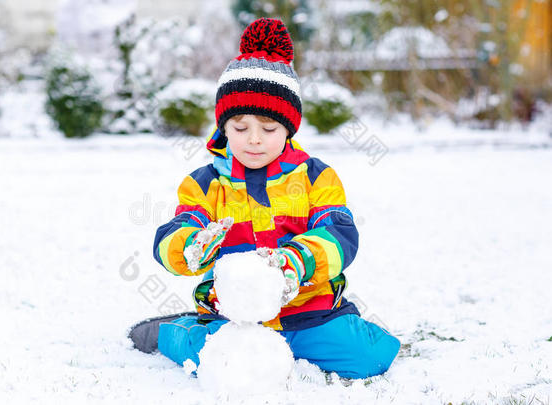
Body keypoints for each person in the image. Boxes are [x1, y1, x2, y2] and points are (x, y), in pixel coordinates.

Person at [151, 18, 400, 379]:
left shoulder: (316, 176)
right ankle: (172, 331)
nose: (254, 139)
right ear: (223, 127)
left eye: (268, 129)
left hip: (308, 312)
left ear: (288, 127)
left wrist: (298, 260)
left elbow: (340, 233)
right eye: (240, 128)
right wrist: (189, 245)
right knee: (209, 359)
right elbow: (174, 232)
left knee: (372, 358)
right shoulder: (205, 183)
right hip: (234, 317)